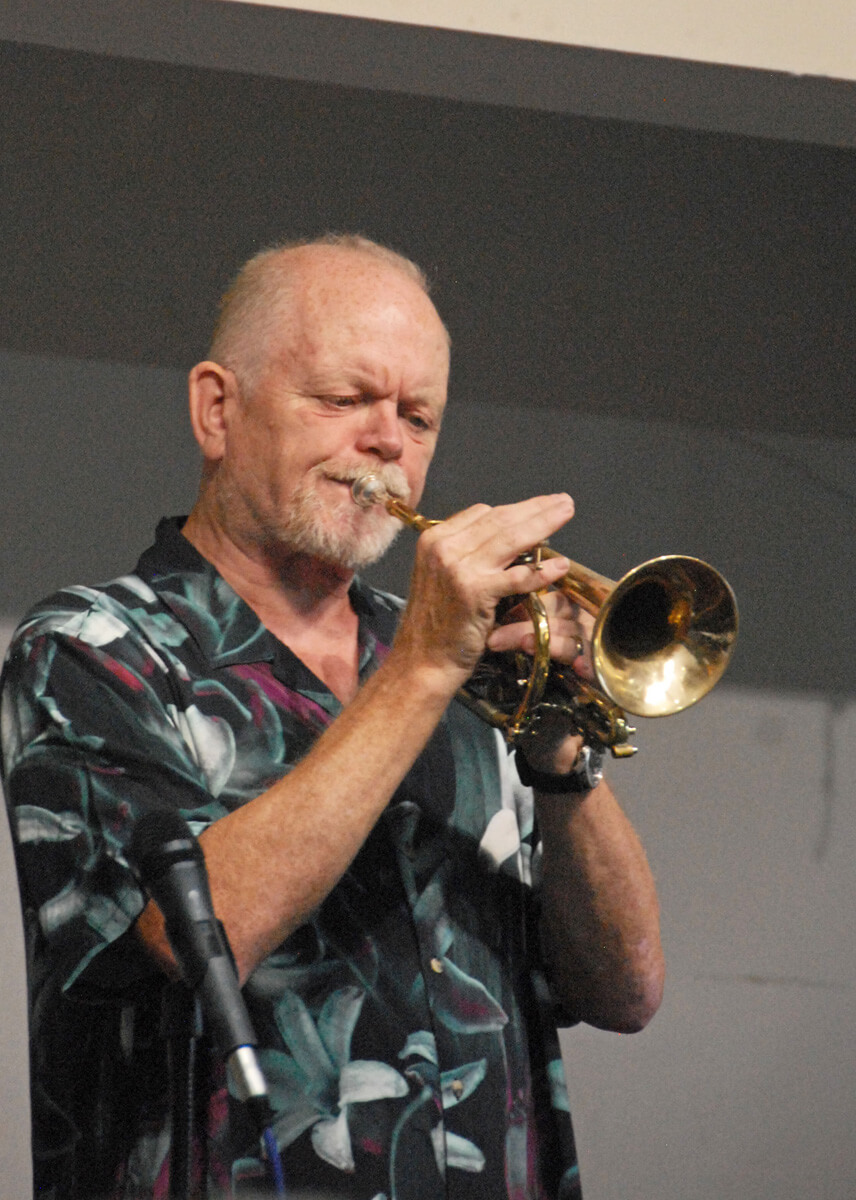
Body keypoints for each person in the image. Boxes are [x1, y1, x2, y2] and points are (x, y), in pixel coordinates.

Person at [1, 235, 664, 1200]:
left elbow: (626, 992)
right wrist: (425, 669)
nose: (389, 441)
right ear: (217, 410)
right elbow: (193, 937)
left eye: (418, 416)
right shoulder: (93, 645)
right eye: (345, 399)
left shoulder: (459, 662)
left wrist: (561, 752)